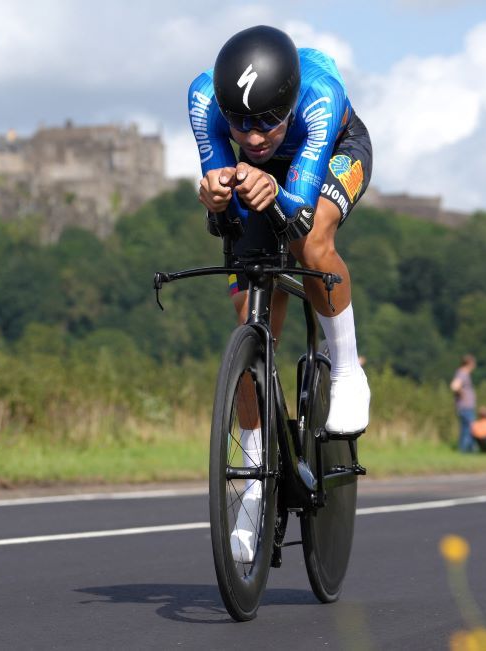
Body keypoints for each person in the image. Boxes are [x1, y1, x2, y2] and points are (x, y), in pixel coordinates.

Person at [189, 24, 373, 560]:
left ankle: (345, 369)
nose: (253, 135)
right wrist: (214, 197)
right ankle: (251, 474)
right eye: (240, 122)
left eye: (268, 120)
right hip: (262, 180)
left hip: (332, 153)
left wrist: (279, 193)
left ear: (289, 103)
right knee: (248, 305)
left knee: (310, 242)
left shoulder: (319, 98)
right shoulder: (203, 100)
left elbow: (298, 215)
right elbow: (223, 215)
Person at [450, 354, 477, 453]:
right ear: (470, 363)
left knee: (466, 428)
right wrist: (462, 394)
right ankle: (465, 450)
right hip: (465, 406)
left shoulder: (463, 373)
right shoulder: (462, 373)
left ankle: (466, 449)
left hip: (465, 406)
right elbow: (454, 386)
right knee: (469, 429)